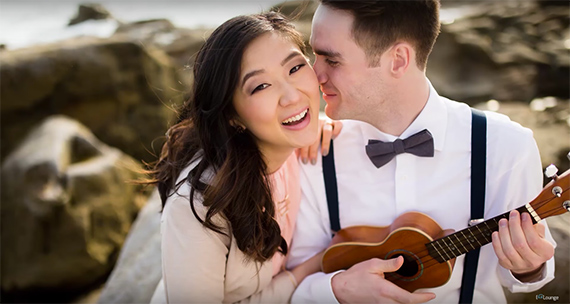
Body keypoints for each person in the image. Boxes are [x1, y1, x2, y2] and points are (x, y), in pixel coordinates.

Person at [286, 1, 556, 303]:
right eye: (314, 55)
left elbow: (524, 277)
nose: (314, 75)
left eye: (331, 61)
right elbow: (294, 281)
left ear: (398, 60)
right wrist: (337, 290)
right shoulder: (316, 153)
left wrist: (529, 268)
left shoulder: (506, 147)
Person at [146, 12, 340, 303]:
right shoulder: (200, 204)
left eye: (296, 68)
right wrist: (306, 272)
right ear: (232, 116)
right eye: (260, 86)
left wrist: (320, 122)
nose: (292, 97)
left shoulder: (290, 142)